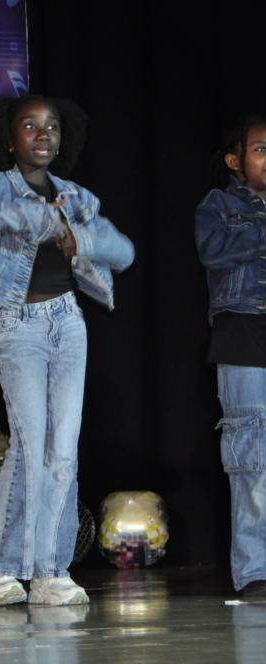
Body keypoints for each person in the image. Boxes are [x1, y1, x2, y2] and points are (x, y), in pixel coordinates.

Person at [0, 94, 134, 607]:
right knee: (30, 450)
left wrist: (79, 240)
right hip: (19, 325)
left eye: (51, 127)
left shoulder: (74, 195)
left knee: (63, 452)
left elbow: (124, 250)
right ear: (10, 138)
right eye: (30, 126)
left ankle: (52, 572)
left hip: (68, 323)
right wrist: (23, 217)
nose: (43, 134)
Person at [195, 115, 266, 597]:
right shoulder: (219, 206)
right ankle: (255, 569)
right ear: (235, 160)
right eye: (261, 149)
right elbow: (213, 252)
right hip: (244, 335)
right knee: (252, 457)